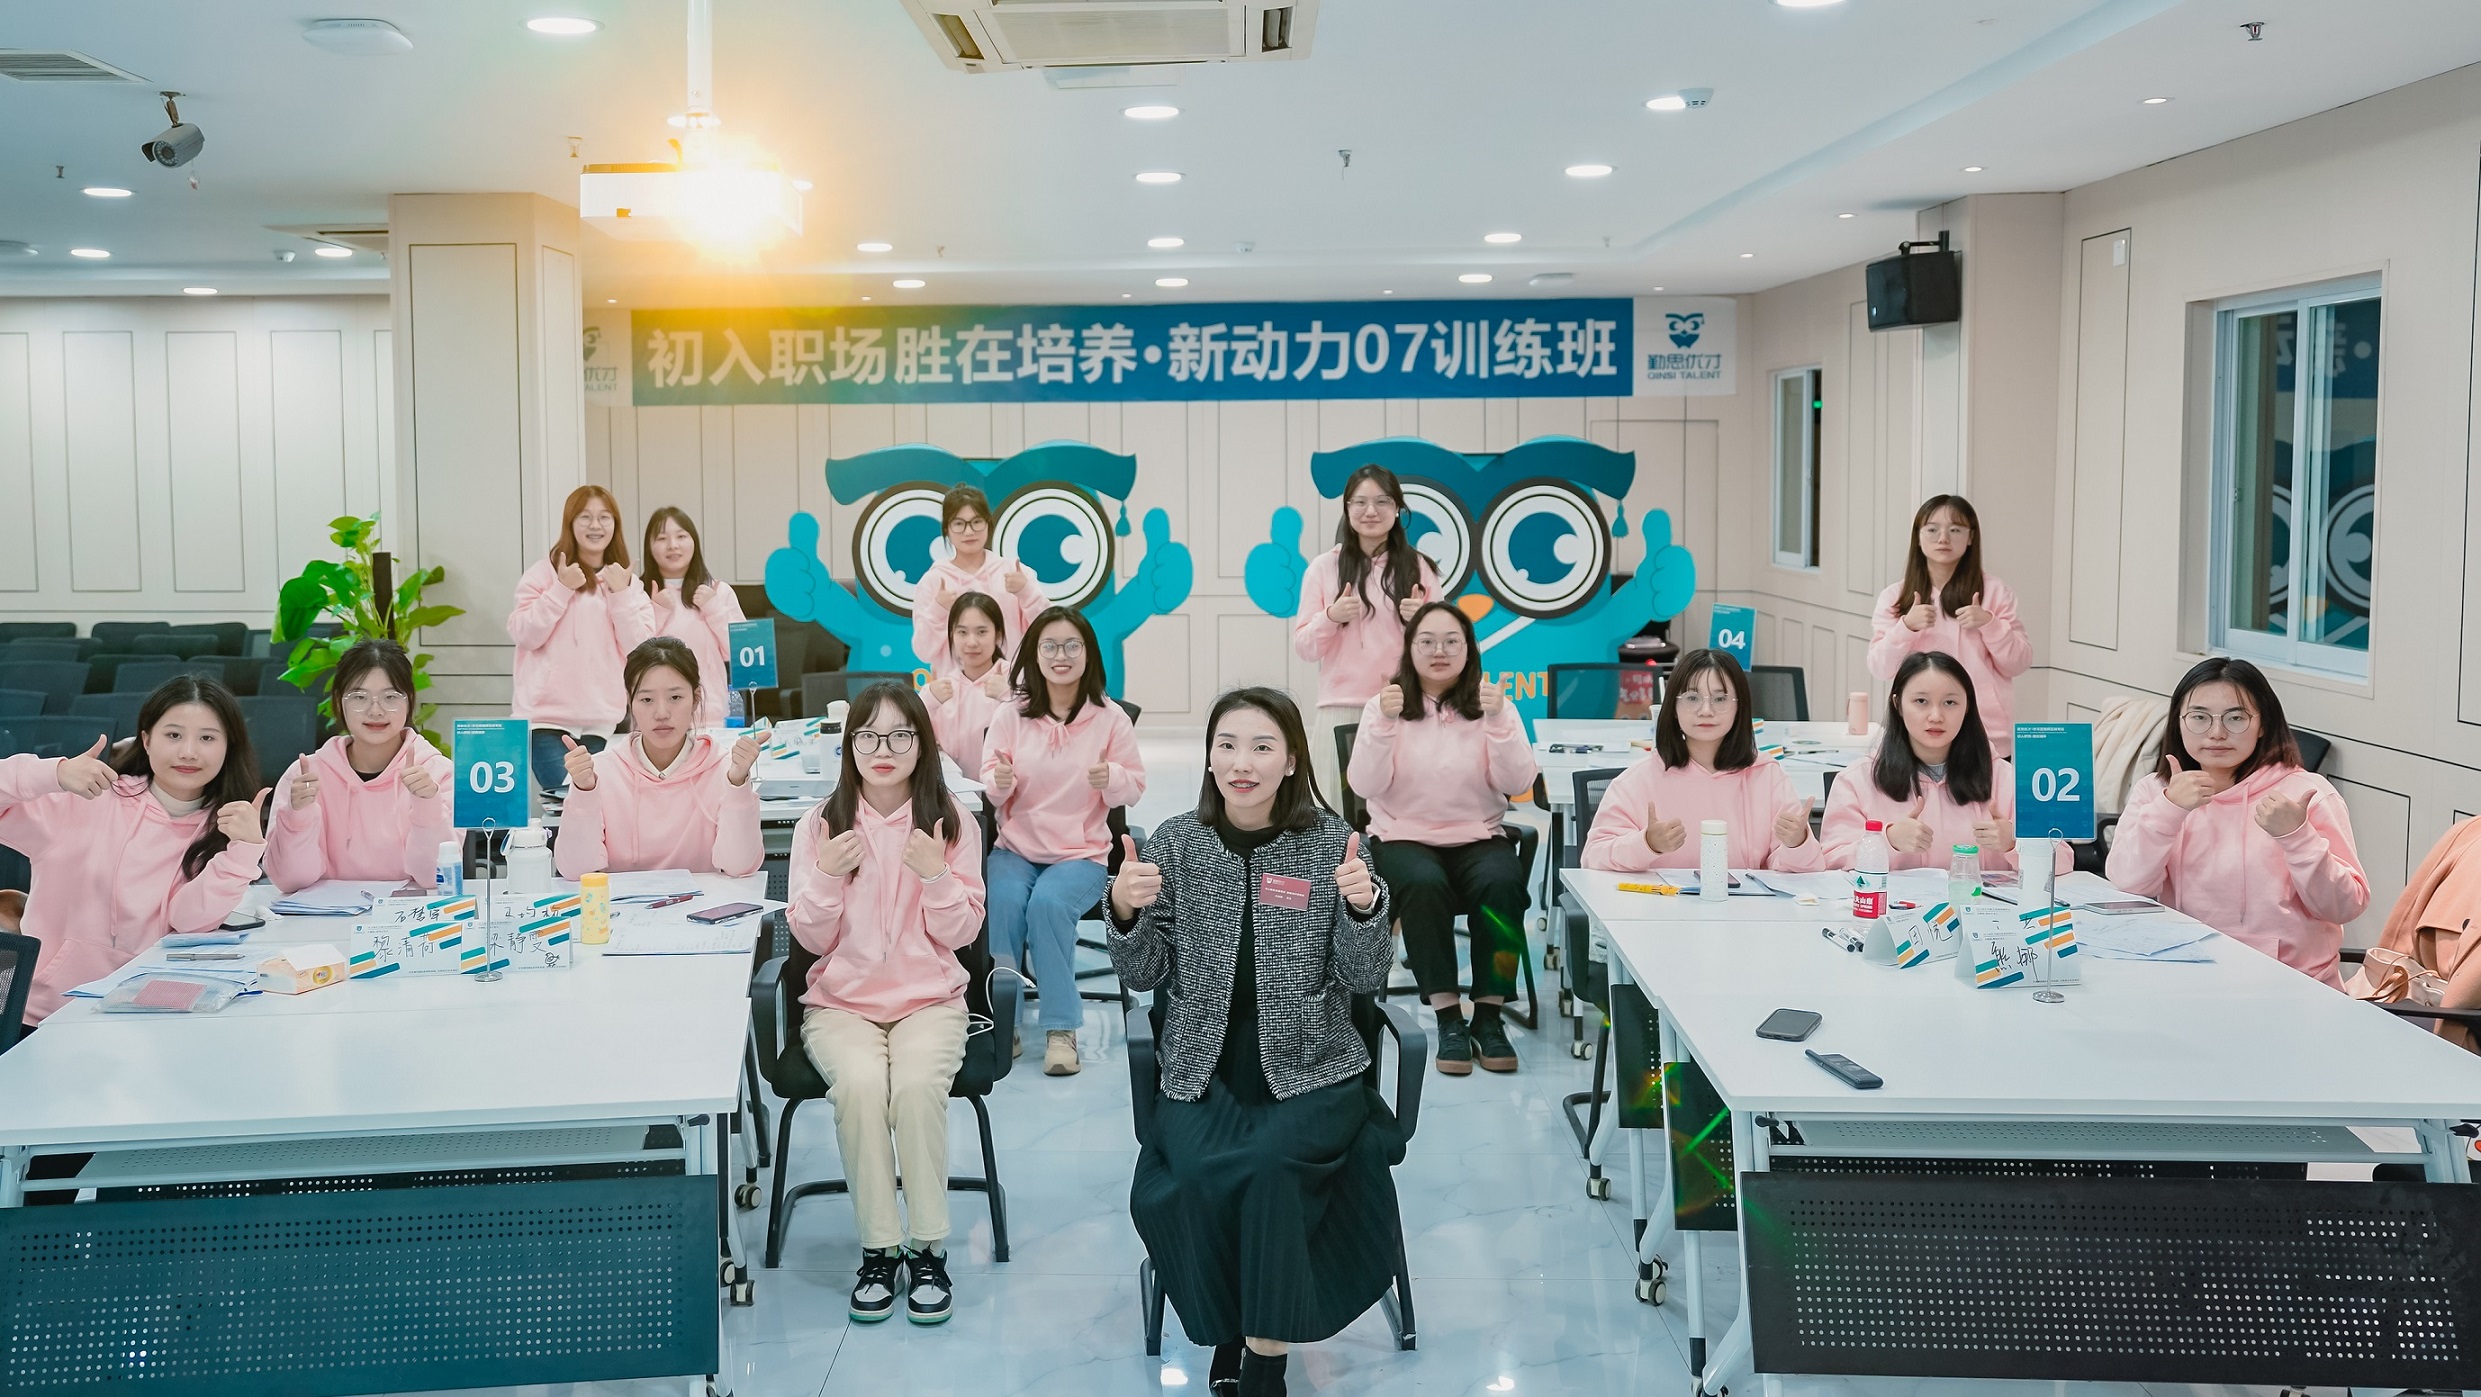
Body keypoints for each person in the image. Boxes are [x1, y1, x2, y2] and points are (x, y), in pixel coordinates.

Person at [1108, 686, 1400, 1397]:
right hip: (1203, 1066)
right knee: (1199, 1174)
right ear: (1209, 758)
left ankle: (1262, 1359)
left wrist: (1365, 908)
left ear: (1291, 759)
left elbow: (1364, 977)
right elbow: (1144, 973)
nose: (1242, 762)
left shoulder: (1330, 844)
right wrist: (1123, 910)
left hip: (1311, 1065)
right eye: (1228, 745)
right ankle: (1230, 1328)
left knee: (1270, 1167)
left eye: (1262, 747)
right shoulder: (1176, 843)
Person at [787, 681, 986, 1326]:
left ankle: (927, 1248)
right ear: (849, 745)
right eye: (868, 736)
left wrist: (936, 874)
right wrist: (825, 875)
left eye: (901, 736)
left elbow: (964, 933)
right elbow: (809, 938)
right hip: (841, 1004)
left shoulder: (951, 822)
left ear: (923, 745)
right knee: (862, 1087)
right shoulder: (821, 824)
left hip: (929, 1000)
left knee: (917, 1088)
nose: (883, 750)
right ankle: (879, 1249)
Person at [0, 675, 267, 1028]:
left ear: (229, 746)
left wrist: (244, 851)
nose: (189, 752)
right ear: (146, 740)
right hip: (46, 1016)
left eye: (207, 738)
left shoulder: (222, 826)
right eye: (173, 735)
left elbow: (188, 922)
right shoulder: (88, 798)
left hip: (149, 1019)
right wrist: (54, 773)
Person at [1345, 602, 1537, 1076]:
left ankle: (1489, 1016)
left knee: (1503, 882)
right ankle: (1449, 1016)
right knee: (1422, 884)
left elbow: (1518, 781)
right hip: (1402, 836)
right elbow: (1364, 785)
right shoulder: (1385, 706)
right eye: (1427, 641)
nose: (1439, 651)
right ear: (1409, 649)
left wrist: (1499, 722)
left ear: (1469, 650)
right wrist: (1383, 725)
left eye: (1452, 641)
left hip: (1478, 834)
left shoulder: (1493, 705)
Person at [2108, 657, 2368, 987]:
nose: (2217, 733)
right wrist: (2169, 809)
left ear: (2263, 725)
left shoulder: (2305, 794)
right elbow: (2128, 885)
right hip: (2188, 977)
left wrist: (2298, 837)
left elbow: (2345, 907)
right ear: (2178, 722)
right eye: (2199, 717)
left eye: (2236, 718)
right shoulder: (2157, 790)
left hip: (2292, 986)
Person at [981, 606, 1144, 1077]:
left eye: (1072, 645)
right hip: (1015, 850)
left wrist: (1112, 777)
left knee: (1048, 906)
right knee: (1004, 902)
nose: (1061, 655)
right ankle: (1003, 1020)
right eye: (1049, 645)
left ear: (1088, 653)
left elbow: (1134, 786)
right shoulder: (1010, 714)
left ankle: (1061, 1028)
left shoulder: (1109, 718)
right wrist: (999, 782)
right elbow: (988, 782)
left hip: (1081, 855)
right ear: (1034, 654)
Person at [1821, 651, 2069, 875]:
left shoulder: (2006, 779)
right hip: (1895, 910)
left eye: (1950, 703)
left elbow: (2064, 860)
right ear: (1898, 705)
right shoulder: (1858, 780)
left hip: (1983, 910)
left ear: (1967, 706)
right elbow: (1830, 860)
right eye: (1921, 701)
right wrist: (1887, 840)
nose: (1936, 716)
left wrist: (2015, 843)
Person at [1582, 647, 1825, 875]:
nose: (1706, 710)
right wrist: (1646, 844)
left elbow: (1805, 872)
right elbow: (1593, 857)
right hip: (1661, 905)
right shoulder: (1638, 780)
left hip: (1743, 906)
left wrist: (1798, 844)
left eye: (1720, 699)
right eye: (1692, 698)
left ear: (1739, 708)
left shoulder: (1766, 775)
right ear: (1673, 707)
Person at [554, 637, 765, 878]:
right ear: (630, 701)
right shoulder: (601, 772)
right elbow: (575, 871)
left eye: (675, 698)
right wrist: (584, 791)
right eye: (646, 700)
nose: (661, 713)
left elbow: (740, 866)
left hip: (705, 901)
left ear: (695, 699)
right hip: (619, 903)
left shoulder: (723, 770)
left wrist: (737, 785)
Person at [1293, 464, 1441, 804]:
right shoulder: (1324, 567)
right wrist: (1331, 617)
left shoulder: (1419, 567)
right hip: (1340, 709)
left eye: (1382, 501)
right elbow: (1304, 647)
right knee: (1338, 810)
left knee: (1404, 809)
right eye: (1359, 502)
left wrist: (1422, 622)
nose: (1370, 511)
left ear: (1398, 508)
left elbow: (1446, 647)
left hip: (1405, 705)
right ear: (1347, 509)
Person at [264, 639, 453, 891]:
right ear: (338, 701)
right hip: (325, 914)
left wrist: (427, 804)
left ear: (409, 700)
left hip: (408, 913)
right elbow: (290, 881)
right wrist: (298, 817)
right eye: (359, 697)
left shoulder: (437, 773)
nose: (375, 710)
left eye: (390, 697)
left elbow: (436, 878)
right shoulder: (305, 776)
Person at [510, 484, 656, 794]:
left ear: (615, 525)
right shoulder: (543, 574)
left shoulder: (627, 583)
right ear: (570, 523)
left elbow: (641, 650)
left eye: (604, 517)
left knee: (597, 804)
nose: (595, 525)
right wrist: (561, 589)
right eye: (585, 517)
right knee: (569, 799)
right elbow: (524, 634)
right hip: (546, 722)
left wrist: (621, 594)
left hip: (602, 723)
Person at [1867, 495, 2032, 758]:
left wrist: (1990, 624)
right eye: (1932, 530)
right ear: (1918, 536)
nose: (1943, 538)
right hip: (1916, 733)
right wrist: (1906, 627)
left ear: (1970, 537)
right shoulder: (1895, 596)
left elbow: (2018, 663)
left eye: (1955, 530)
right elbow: (1879, 666)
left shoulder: (1996, 593)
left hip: (1986, 732)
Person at [911, 485, 1048, 671]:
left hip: (1010, 685)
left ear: (988, 523)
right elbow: (923, 652)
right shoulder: (933, 581)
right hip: (955, 687)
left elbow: (1048, 632)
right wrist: (938, 609)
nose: (969, 532)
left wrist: (1026, 593)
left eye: (976, 522)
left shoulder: (1015, 574)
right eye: (959, 524)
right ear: (946, 529)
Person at [641, 506, 746, 729]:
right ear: (649, 547)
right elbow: (631, 656)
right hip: (654, 723)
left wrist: (714, 609)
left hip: (712, 719)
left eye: (681, 536)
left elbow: (743, 654)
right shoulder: (637, 594)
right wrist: (657, 611)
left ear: (694, 542)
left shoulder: (718, 591)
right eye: (662, 538)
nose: (673, 545)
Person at [921, 591, 1012, 778]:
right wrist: (928, 701)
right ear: (952, 635)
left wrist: (1010, 695)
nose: (971, 642)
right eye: (962, 632)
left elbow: (1040, 725)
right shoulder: (943, 689)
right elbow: (910, 728)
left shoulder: (1015, 678)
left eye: (981, 632)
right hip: (955, 789)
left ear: (998, 635)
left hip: (1007, 787)